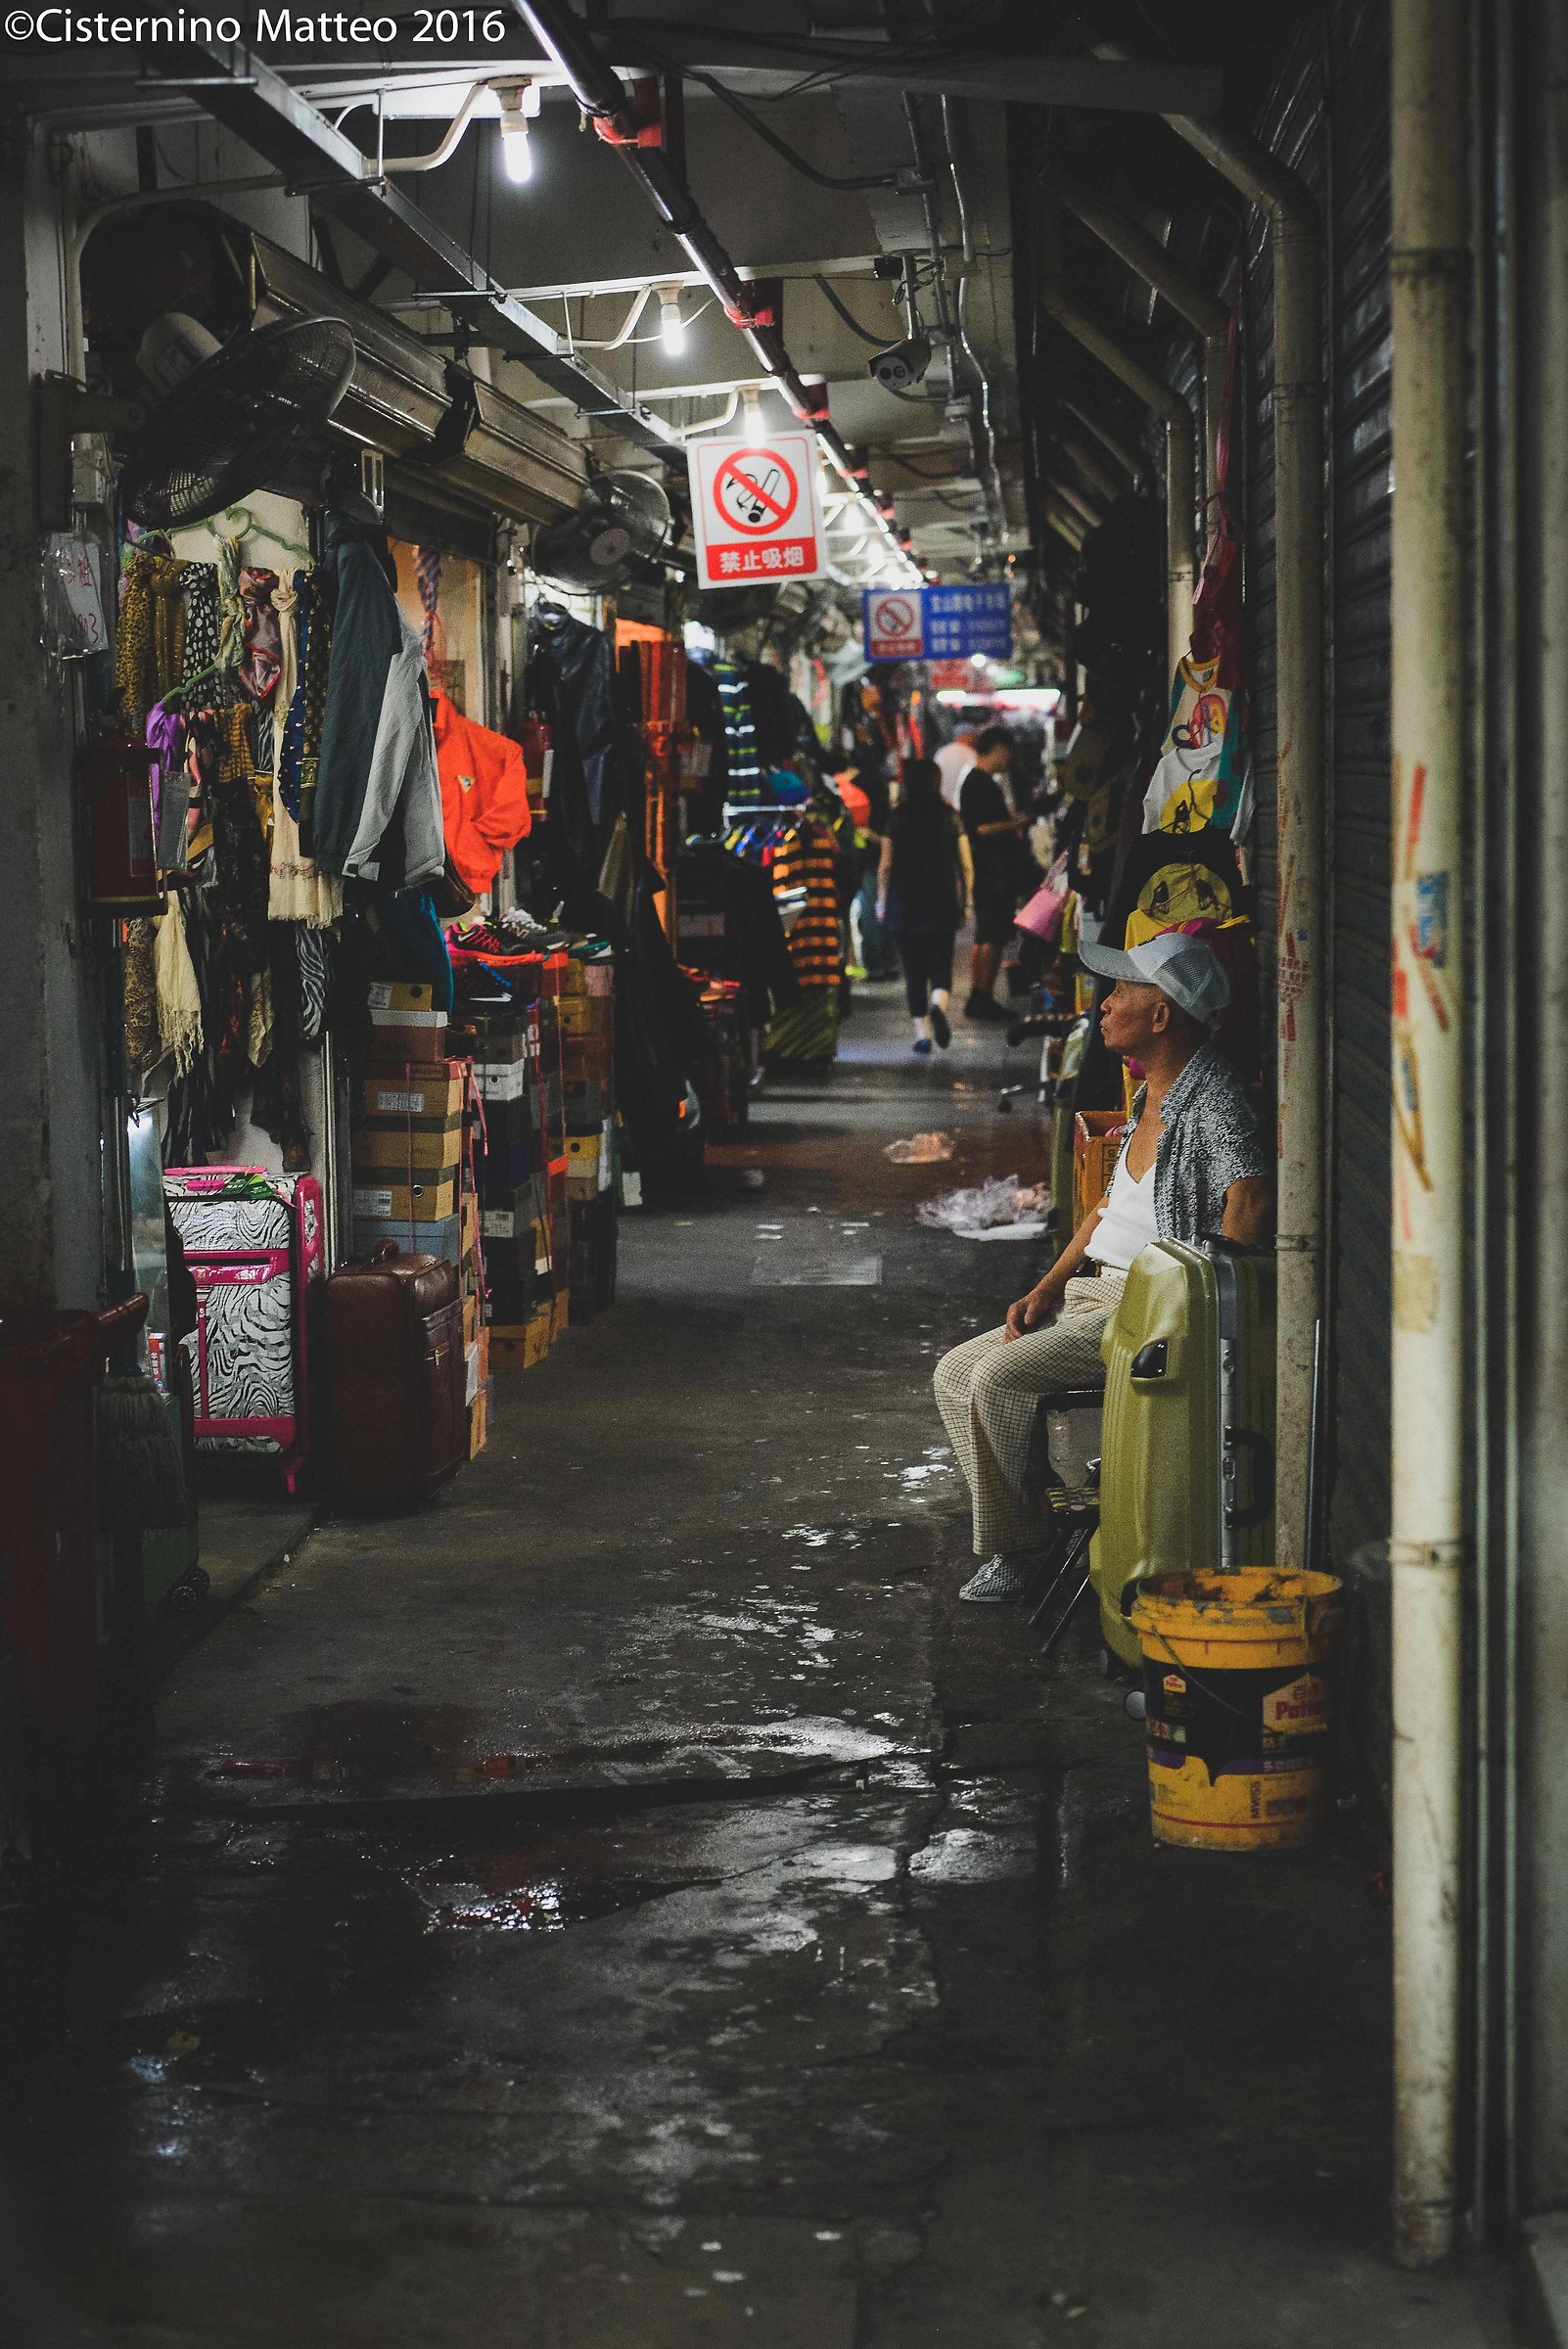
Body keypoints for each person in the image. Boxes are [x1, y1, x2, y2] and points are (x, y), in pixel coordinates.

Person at [933, 931, 1272, 1601]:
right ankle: (1038, 1523)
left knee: (997, 1380)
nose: (1105, 1005)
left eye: (1120, 992)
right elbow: (1106, 1211)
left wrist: (1208, 1318)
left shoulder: (1215, 1099)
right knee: (954, 1373)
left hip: (1145, 1309)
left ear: (1161, 1015)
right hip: (1093, 1296)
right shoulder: (1151, 1096)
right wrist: (1046, 1286)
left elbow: (1253, 1199)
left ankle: (1021, 1550)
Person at [877, 757, 965, 1054]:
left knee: (913, 972)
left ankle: (922, 1036)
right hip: (942, 903)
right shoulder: (950, 816)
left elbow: (885, 866)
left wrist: (881, 902)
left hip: (903, 906)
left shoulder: (896, 817)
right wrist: (966, 901)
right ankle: (938, 1005)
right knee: (941, 966)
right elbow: (965, 866)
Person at [958, 726, 1033, 1021]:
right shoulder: (981, 783)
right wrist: (1017, 823)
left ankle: (978, 995)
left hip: (987, 870)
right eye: (1007, 751)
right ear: (998, 749)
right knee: (993, 936)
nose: (1009, 758)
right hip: (994, 871)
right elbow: (983, 828)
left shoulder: (976, 781)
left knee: (985, 936)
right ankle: (983, 996)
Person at [935, 727, 976, 808]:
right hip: (962, 804)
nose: (973, 740)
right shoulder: (971, 753)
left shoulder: (942, 751)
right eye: (972, 736)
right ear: (967, 736)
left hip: (942, 802)